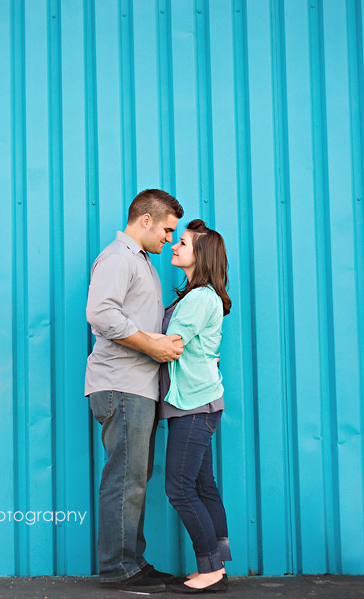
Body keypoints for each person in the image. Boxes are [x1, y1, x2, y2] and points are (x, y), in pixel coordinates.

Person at [86, 189, 185, 593]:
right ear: (145, 220)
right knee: (125, 480)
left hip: (137, 388)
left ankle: (131, 561)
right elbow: (100, 313)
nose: (168, 238)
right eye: (166, 229)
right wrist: (153, 344)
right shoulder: (118, 258)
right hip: (121, 386)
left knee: (134, 479)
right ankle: (117, 569)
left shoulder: (142, 262)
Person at [156, 219, 232, 594]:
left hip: (193, 406)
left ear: (199, 256)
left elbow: (170, 344)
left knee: (180, 488)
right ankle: (217, 564)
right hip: (200, 403)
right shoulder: (196, 296)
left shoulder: (200, 297)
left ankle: (211, 571)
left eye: (182, 242)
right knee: (203, 486)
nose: (174, 246)